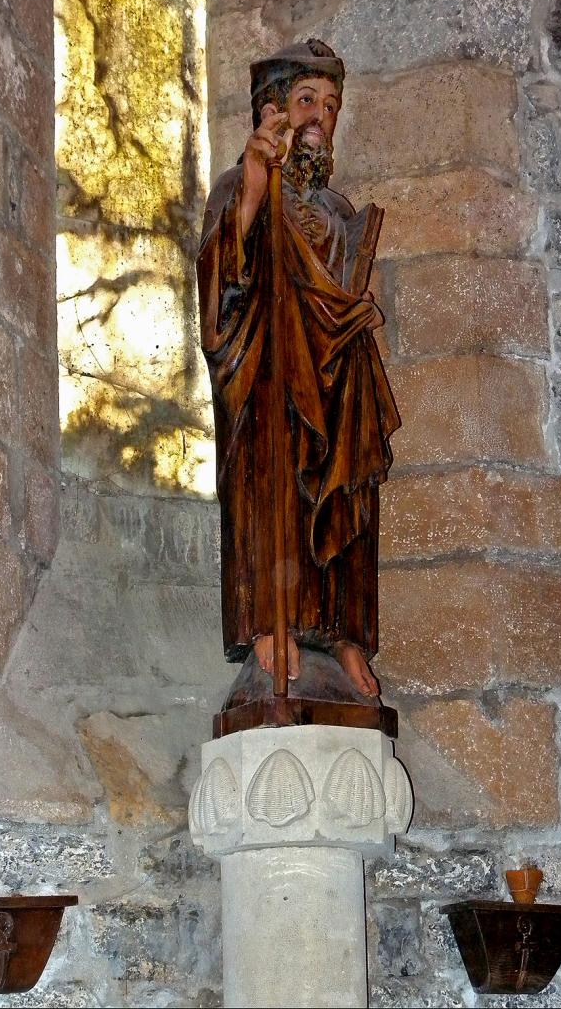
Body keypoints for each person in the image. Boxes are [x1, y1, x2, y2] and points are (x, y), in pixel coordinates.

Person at [197, 40, 400, 698]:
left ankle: (342, 632)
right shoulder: (238, 187)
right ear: (273, 110)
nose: (321, 116)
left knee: (344, 485)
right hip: (268, 371)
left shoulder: (337, 211)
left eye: (331, 105)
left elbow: (335, 289)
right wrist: (256, 186)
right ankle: (269, 620)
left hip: (335, 374)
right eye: (307, 100)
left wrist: (353, 314)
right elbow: (220, 282)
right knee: (272, 482)